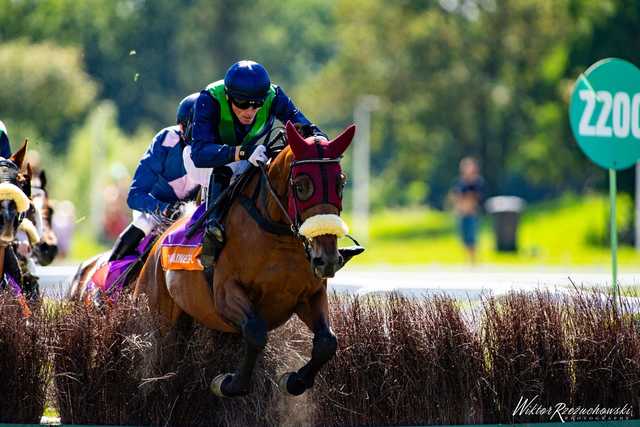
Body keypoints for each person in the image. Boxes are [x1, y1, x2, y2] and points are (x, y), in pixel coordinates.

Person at [190, 60, 327, 263]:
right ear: (227, 96)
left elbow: (304, 125)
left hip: (252, 154)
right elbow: (199, 153)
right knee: (225, 169)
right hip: (207, 161)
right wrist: (242, 152)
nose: (250, 111)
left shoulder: (274, 95)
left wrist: (319, 139)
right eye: (242, 104)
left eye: (257, 104)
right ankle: (213, 230)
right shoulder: (209, 98)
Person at [107, 93, 202, 262]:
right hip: (155, 207)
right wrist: (165, 208)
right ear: (182, 127)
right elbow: (135, 197)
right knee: (144, 223)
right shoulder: (165, 140)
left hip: (192, 210)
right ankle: (108, 276)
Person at [451, 157, 485, 264]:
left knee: (472, 238)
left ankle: (473, 260)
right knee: (463, 238)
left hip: (471, 214)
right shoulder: (460, 182)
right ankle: (466, 260)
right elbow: (456, 196)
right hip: (462, 213)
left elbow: (477, 197)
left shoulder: (477, 182)